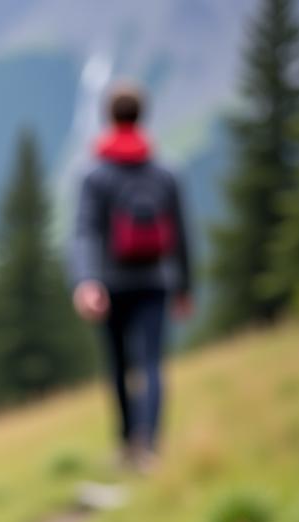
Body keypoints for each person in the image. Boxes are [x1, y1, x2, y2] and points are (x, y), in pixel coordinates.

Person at [71, 82, 192, 469]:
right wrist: (185, 285)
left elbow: (85, 230)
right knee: (153, 364)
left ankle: (126, 444)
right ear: (142, 115)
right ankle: (149, 447)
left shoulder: (95, 174)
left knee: (120, 365)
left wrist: (87, 280)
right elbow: (181, 232)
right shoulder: (165, 170)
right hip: (156, 280)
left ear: (111, 116)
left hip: (111, 284)